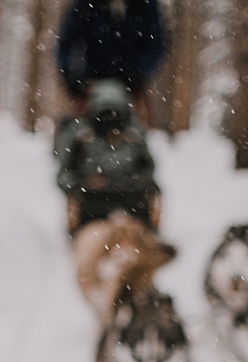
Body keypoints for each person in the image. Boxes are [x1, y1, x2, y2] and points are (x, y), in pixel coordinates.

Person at [56, 79, 161, 235]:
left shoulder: (135, 135)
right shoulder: (80, 135)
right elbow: (63, 174)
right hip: (90, 205)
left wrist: (129, 181)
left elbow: (150, 170)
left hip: (131, 203)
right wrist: (84, 182)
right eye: (105, 113)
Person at [56, 0, 168, 119]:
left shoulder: (145, 4)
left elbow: (156, 45)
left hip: (132, 86)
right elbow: (65, 42)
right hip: (90, 85)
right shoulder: (85, 3)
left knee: (138, 129)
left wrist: (141, 74)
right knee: (74, 129)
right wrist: (70, 75)